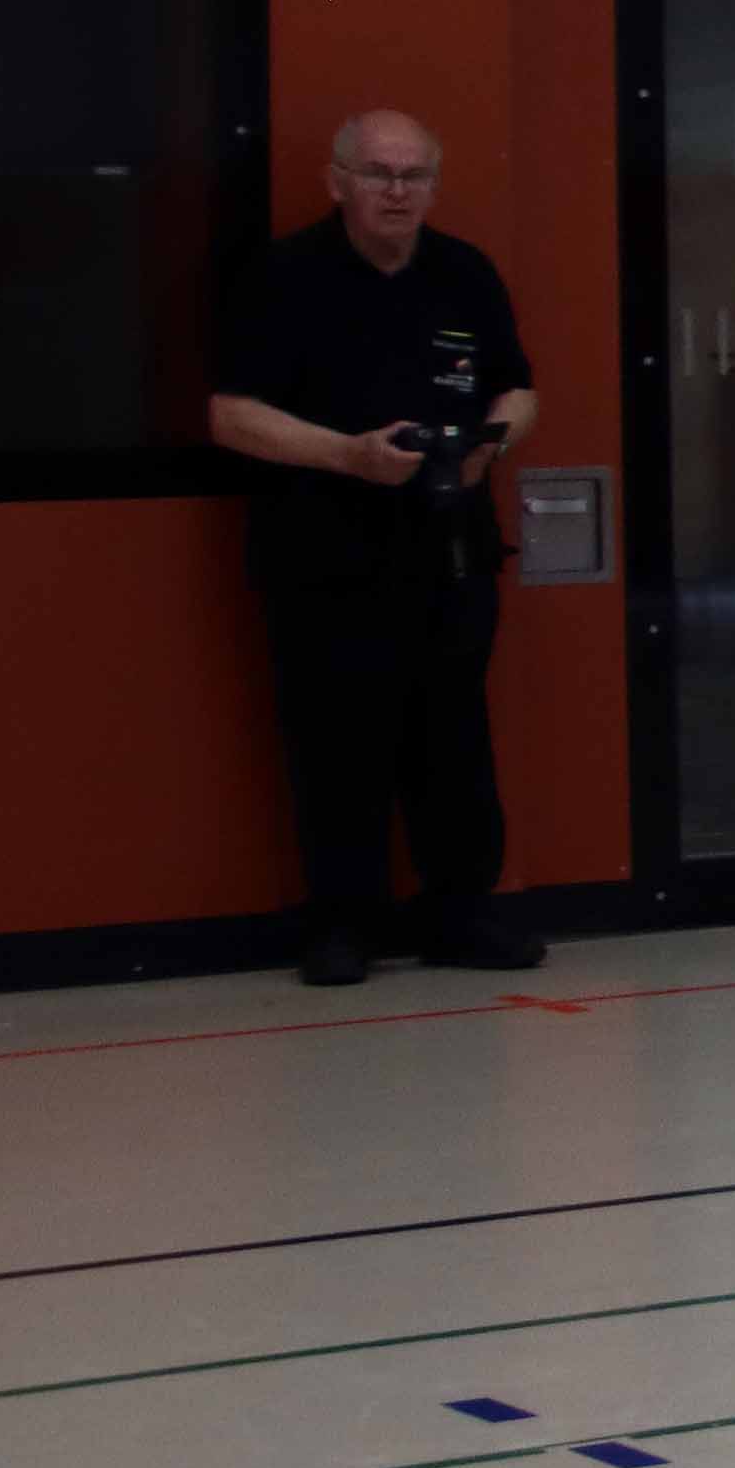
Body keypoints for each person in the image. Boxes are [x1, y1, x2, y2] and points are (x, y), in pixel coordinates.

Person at [204, 110, 540, 984]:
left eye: (415, 175)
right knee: (336, 743)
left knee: (454, 738)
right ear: (338, 181)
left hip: (451, 546)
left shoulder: (464, 272)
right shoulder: (284, 276)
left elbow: (517, 389)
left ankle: (461, 914)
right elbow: (231, 416)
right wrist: (347, 456)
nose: (398, 192)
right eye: (380, 174)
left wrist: (489, 446)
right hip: (325, 552)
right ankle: (342, 925)